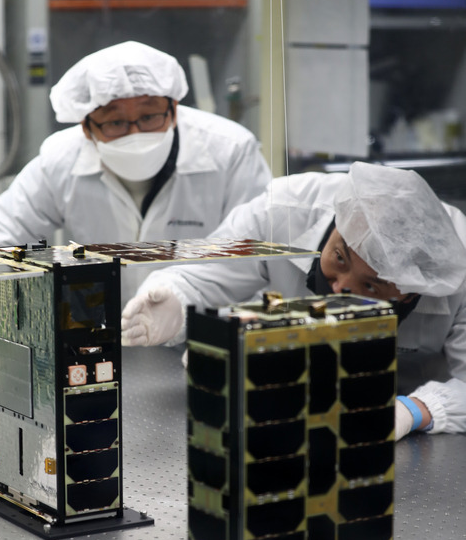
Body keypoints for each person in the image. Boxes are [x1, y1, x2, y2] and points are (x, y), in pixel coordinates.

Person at [121, 161, 466, 440]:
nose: (340, 288)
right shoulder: (284, 211)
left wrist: (413, 410)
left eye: (372, 286)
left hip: (397, 416)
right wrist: (173, 300)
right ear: (338, 224)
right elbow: (204, 272)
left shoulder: (456, 269)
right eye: (339, 258)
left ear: (410, 292)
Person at [0, 40, 271, 302]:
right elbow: (0, 239)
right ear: (86, 128)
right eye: (115, 122)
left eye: (149, 117)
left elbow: (258, 261)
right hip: (100, 332)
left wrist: (183, 306)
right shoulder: (61, 159)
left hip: (204, 331)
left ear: (173, 109)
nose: (135, 134)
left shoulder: (231, 151)